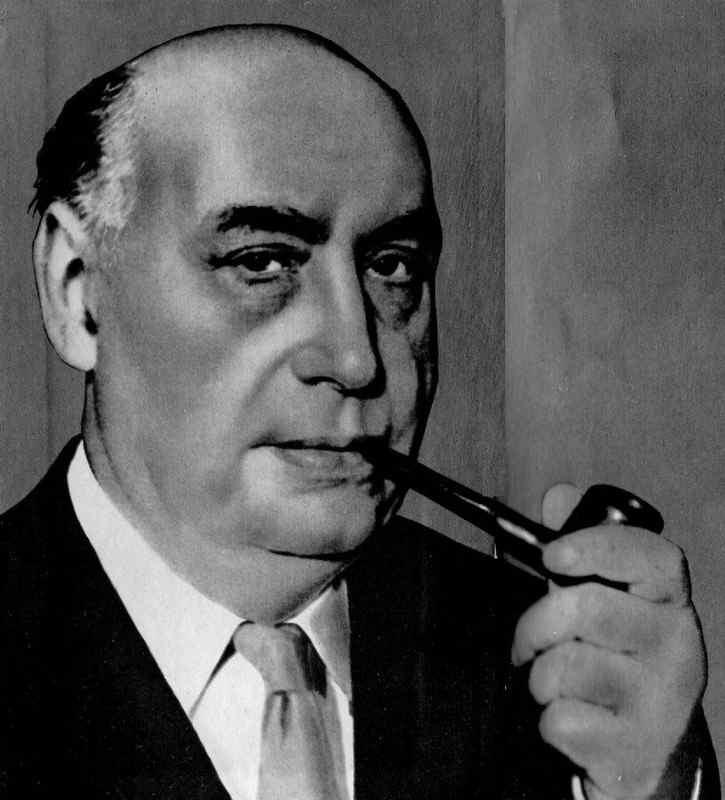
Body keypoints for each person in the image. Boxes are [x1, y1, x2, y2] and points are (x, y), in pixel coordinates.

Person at [2, 23, 718, 800]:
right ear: (77, 291)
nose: (356, 359)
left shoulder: (551, 675)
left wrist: (655, 787)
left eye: (392, 267)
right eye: (260, 261)